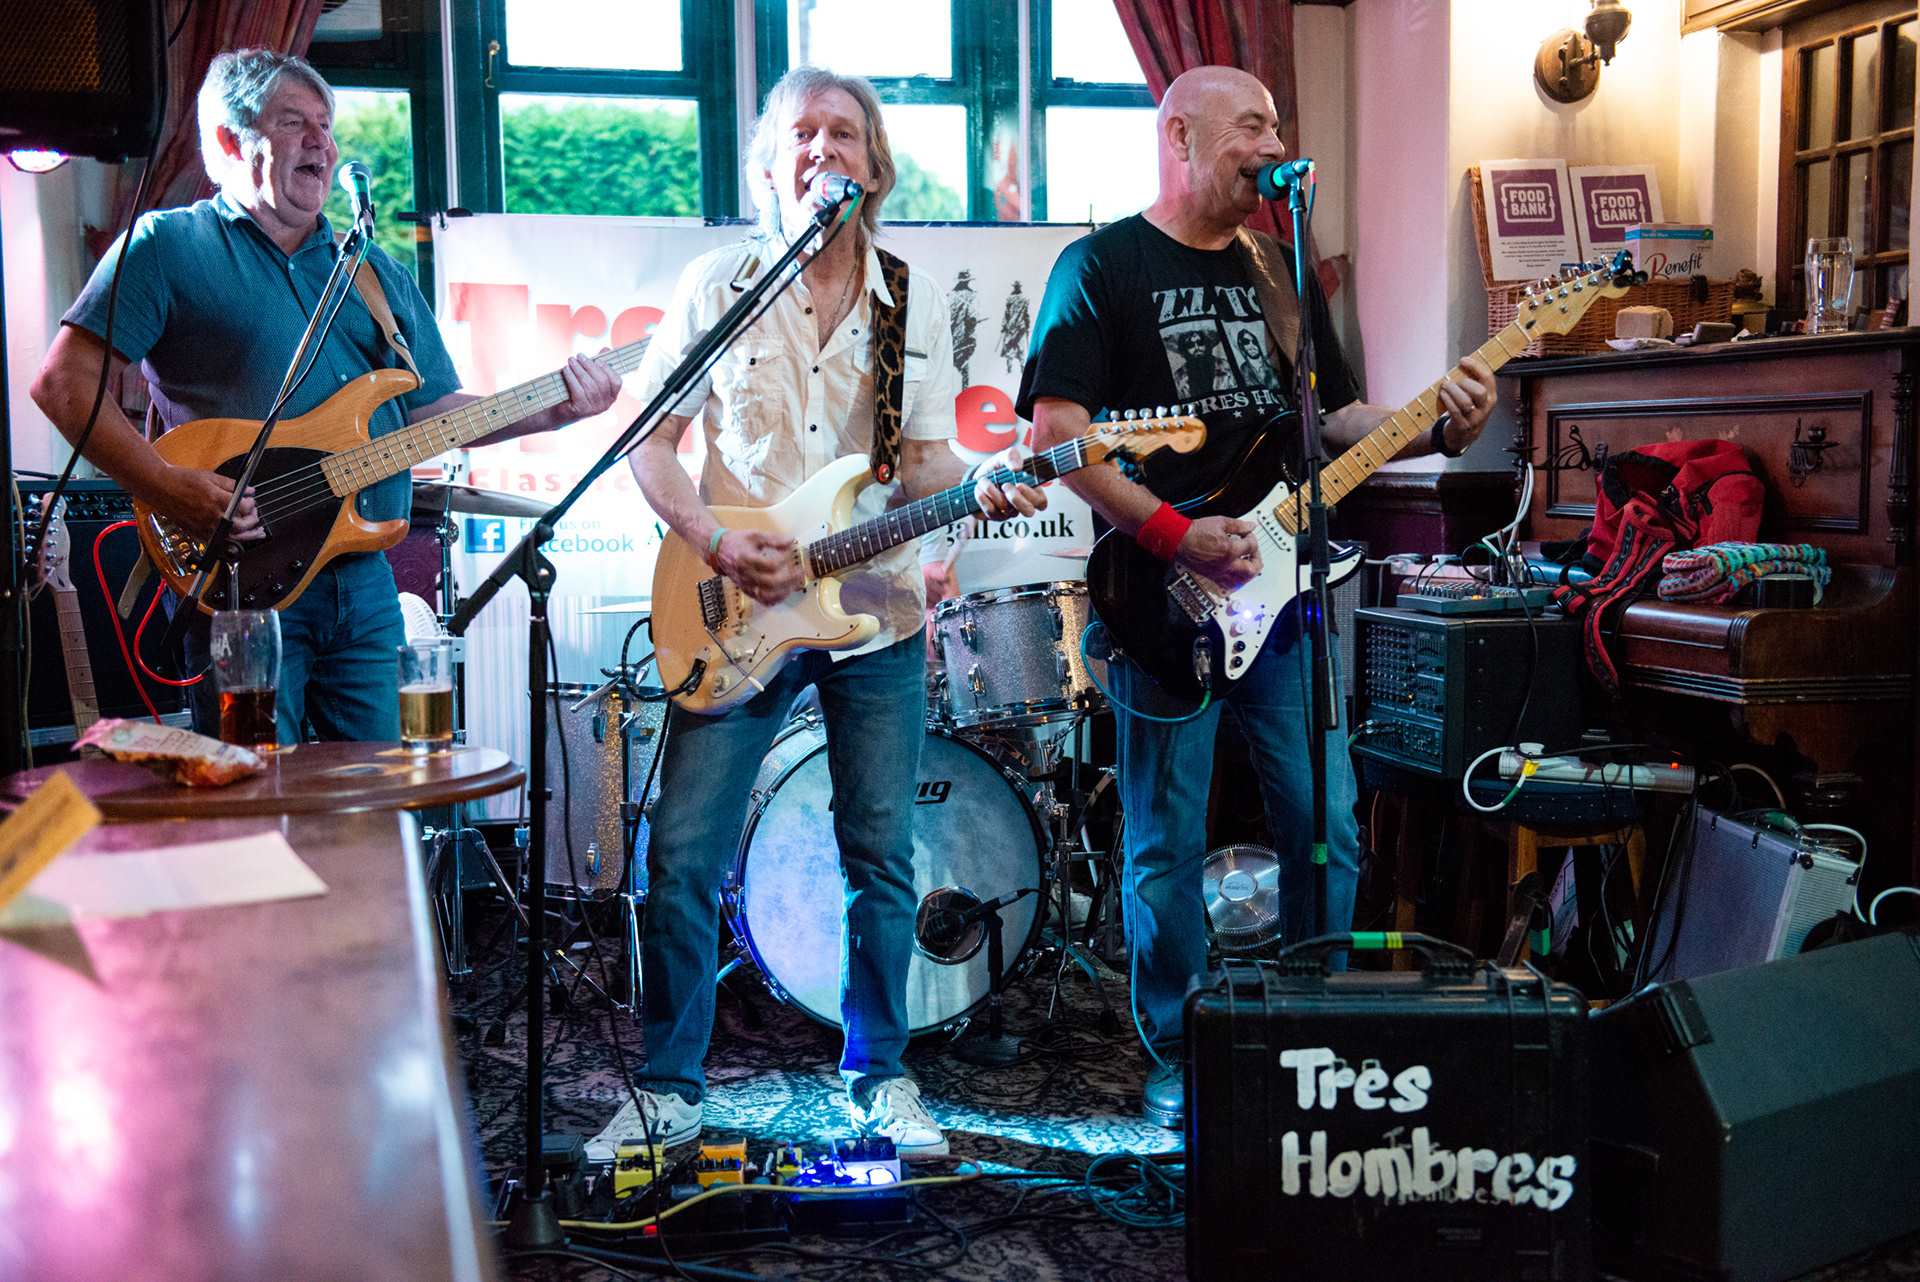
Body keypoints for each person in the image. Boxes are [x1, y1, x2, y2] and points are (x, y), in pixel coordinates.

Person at [1017, 66, 1496, 1128]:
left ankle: (1307, 1033)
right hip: (1160, 595)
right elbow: (1057, 438)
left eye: (1278, 121)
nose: (1271, 139)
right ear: (1179, 135)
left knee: (1327, 818)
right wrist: (1176, 532)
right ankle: (1181, 1053)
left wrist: (1440, 418)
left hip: (1284, 597)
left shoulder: (1278, 270)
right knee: (1165, 843)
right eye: (1250, 125)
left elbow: (1331, 419)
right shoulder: (1099, 268)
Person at [595, 66, 1045, 1160]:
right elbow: (645, 442)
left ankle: (878, 1075)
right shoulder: (718, 285)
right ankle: (668, 1085)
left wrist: (975, 491)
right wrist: (710, 540)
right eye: (799, 135)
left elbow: (929, 461)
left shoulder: (913, 302)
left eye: (843, 133)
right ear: (767, 165)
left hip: (874, 613)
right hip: (732, 610)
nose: (821, 151)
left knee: (880, 856)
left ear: (874, 164)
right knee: (687, 852)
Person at [30, 49, 620, 743]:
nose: (323, 142)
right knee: (250, 800)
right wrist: (163, 486)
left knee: (374, 805)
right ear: (229, 140)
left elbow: (427, 412)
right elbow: (62, 384)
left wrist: (558, 408)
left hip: (363, 581)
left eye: (327, 125)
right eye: (294, 122)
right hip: (239, 580)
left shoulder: (372, 272)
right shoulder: (168, 245)